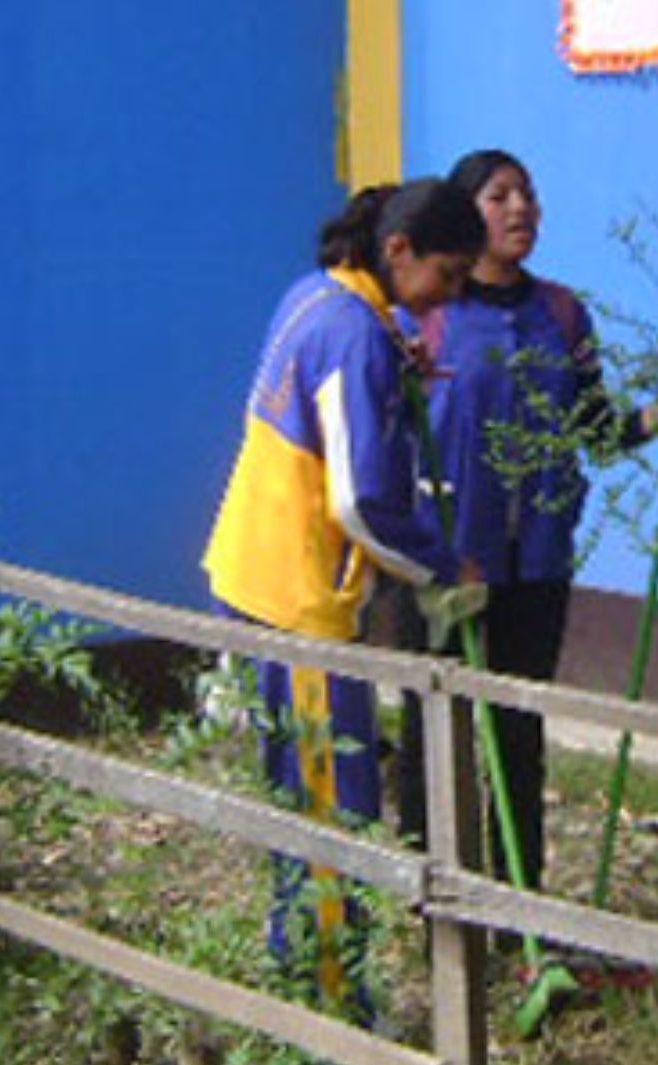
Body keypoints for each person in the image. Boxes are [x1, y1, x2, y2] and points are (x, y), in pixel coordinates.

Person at [394, 149, 658, 975]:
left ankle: (522, 917)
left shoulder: (564, 315)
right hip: (441, 569)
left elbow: (597, 433)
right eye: (500, 197)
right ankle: (440, 916)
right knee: (442, 737)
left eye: (528, 194)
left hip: (535, 564)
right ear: (466, 216)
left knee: (519, 736)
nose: (521, 209)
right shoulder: (421, 316)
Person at [202, 179, 487, 1020]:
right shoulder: (354, 334)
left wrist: (395, 371)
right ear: (398, 253)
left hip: (253, 573)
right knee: (336, 806)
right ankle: (332, 1003)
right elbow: (361, 503)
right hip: (302, 601)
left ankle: (295, 966)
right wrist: (440, 567)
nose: (451, 295)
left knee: (297, 790)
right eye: (448, 273)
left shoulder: (319, 296)